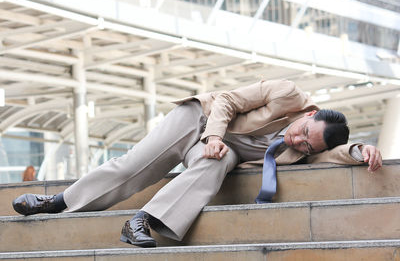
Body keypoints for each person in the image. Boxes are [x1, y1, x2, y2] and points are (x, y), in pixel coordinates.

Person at [12, 79, 382, 248]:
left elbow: (334, 153)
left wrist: (360, 150)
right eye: (303, 131)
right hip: (202, 121)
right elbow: (227, 101)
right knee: (136, 165)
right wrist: (215, 136)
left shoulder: (309, 148)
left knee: (213, 167)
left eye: (306, 144)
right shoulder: (287, 94)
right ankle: (57, 201)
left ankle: (141, 220)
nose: (298, 141)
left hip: (224, 151)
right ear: (309, 113)